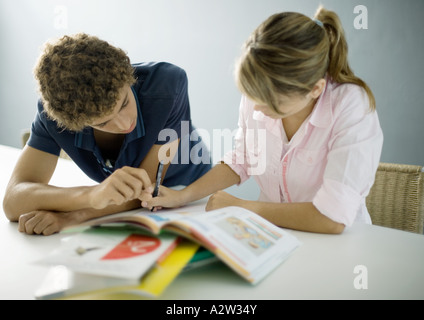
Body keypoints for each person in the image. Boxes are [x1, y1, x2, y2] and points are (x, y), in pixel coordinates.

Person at [143, 7, 384, 234]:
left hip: (339, 245)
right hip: (271, 235)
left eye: (269, 101)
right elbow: (244, 159)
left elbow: (332, 219)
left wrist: (243, 208)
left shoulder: (351, 106)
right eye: (252, 95)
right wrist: (182, 196)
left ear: (315, 89)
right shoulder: (260, 92)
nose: (256, 107)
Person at [3, 33, 211, 235]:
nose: (125, 123)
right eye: (103, 122)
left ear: (129, 75)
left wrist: (73, 216)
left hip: (194, 194)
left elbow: (145, 190)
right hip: (123, 212)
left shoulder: (168, 85)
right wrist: (92, 195)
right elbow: (13, 200)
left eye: (125, 103)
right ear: (74, 123)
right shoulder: (56, 115)